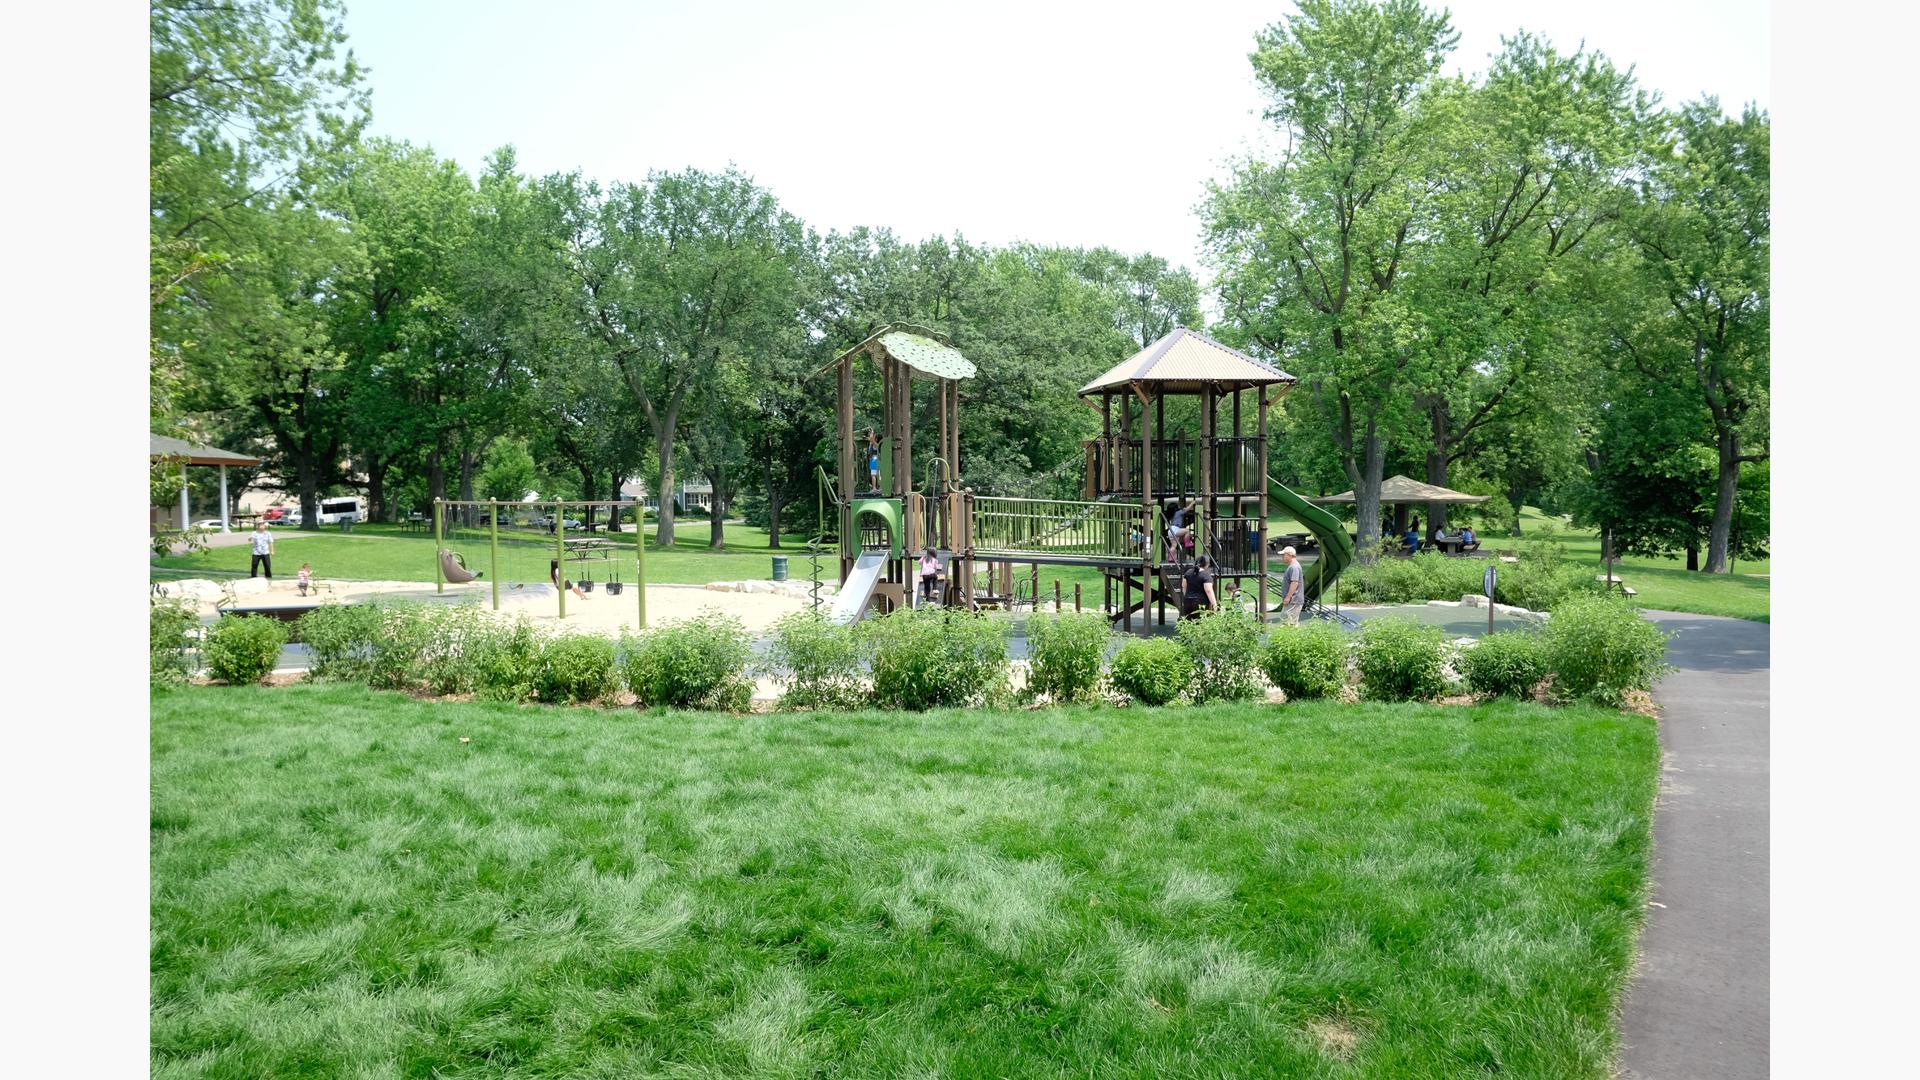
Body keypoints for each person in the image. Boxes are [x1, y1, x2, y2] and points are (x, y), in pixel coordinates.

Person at [1278, 546, 1306, 625]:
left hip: (1293, 600)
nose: (1282, 557)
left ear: (1289, 555)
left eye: (1284, 555)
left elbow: (1294, 582)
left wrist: (1288, 597)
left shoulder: (1294, 567)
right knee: (1291, 623)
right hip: (1293, 600)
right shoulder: (1292, 566)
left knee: (1285, 621)